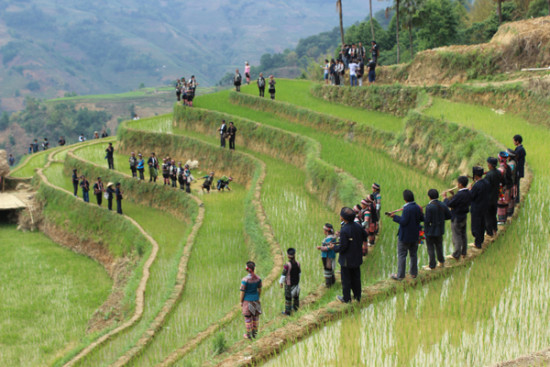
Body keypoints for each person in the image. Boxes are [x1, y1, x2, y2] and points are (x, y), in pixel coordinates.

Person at [330, 207, 368, 303]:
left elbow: (343, 247)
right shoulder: (358, 225)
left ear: (343, 218)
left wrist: (333, 248)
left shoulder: (344, 230)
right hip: (357, 257)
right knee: (356, 277)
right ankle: (357, 296)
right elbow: (365, 235)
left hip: (347, 259)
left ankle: (346, 298)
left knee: (346, 279)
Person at [388, 190, 424, 280]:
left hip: (405, 236)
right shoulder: (417, 207)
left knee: (402, 255)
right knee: (413, 254)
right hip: (415, 235)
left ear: (405, 199)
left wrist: (394, 217)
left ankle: (400, 276)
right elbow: (422, 218)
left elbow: (404, 222)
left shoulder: (407, 209)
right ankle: (414, 273)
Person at [444, 176, 471, 260]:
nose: (457, 184)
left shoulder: (460, 194)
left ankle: (456, 254)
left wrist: (445, 198)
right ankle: (464, 252)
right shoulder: (468, 192)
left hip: (457, 217)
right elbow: (458, 201)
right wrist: (453, 195)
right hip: (463, 216)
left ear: (460, 184)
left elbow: (450, 204)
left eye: (457, 183)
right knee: (463, 234)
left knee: (457, 235)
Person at [424, 189, 451, 270]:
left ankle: (432, 265)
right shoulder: (442, 204)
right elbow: (449, 215)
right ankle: (441, 262)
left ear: (429, 197)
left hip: (430, 231)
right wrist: (442, 219)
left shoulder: (429, 207)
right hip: (440, 230)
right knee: (439, 246)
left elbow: (427, 220)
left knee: (430, 247)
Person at [240, 261, 262, 339]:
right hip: (256, 300)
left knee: (248, 318)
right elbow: (259, 290)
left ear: (247, 269)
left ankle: (249, 336)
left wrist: (241, 301)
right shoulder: (258, 279)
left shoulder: (245, 280)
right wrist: (257, 297)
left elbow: (242, 292)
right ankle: (255, 334)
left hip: (247, 301)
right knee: (255, 317)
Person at [470, 166, 490, 249]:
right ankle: (480, 240)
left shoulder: (476, 186)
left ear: (475, 176)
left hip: (477, 208)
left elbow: (471, 196)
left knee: (476, 226)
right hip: (484, 206)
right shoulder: (486, 182)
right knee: (482, 224)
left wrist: (470, 190)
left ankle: (477, 243)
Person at [279, 248, 301, 316]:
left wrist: (281, 282)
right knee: (296, 296)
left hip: (289, 284)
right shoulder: (298, 263)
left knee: (288, 297)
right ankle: (296, 308)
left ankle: (288, 312)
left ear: (288, 256)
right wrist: (297, 280)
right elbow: (299, 273)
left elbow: (283, 275)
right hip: (296, 282)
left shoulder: (287, 265)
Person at [484, 157, 502, 237]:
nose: (487, 165)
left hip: (488, 198)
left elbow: (485, 186)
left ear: (490, 165)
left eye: (488, 163)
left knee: (487, 216)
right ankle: (495, 229)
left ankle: (489, 232)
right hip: (495, 197)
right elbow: (503, 182)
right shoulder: (498, 172)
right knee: (493, 214)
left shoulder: (489, 175)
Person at [317, 223, 337, 287]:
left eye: (324, 230)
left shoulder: (329, 238)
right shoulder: (333, 236)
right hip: (331, 255)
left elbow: (329, 247)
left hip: (327, 256)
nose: (323, 231)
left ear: (326, 231)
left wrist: (320, 248)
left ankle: (328, 284)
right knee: (330, 269)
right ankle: (332, 281)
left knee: (327, 269)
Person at [497, 151, 513, 224]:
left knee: (501, 204)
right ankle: (505, 218)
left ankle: (501, 220)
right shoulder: (508, 166)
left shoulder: (501, 168)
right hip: (508, 187)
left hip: (503, 188)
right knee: (505, 203)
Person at [512, 134, 526, 203]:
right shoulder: (520, 149)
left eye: (514, 141)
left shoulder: (520, 150)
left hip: (518, 170)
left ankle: (516, 199)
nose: (513, 142)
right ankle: (516, 198)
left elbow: (515, 158)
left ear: (517, 141)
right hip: (518, 170)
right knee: (516, 184)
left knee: (516, 184)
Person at [506, 149, 517, 218]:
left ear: (509, 156)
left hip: (510, 183)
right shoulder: (512, 162)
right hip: (511, 183)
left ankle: (509, 213)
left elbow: (510, 173)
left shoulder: (511, 164)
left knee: (509, 197)